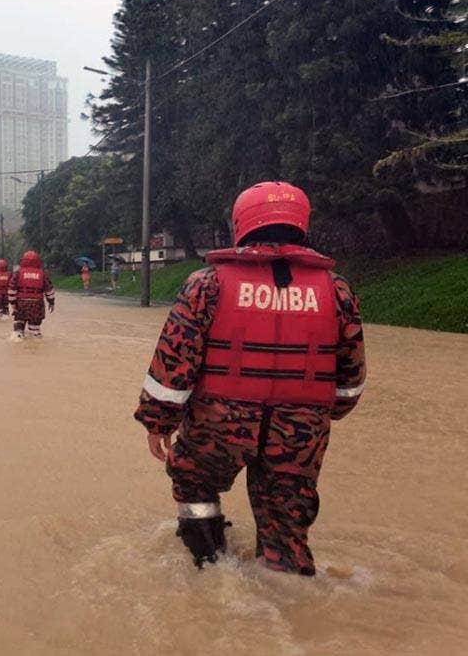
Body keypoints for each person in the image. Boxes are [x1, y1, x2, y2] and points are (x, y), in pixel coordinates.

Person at [133, 181, 366, 575]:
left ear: (242, 222)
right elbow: (350, 379)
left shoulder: (206, 285)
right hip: (301, 430)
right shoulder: (337, 291)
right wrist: (322, 416)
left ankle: (207, 567)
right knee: (287, 516)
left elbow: (173, 366)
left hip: (219, 423)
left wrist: (158, 421)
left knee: (194, 483)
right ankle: (288, 583)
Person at [8, 250, 55, 338]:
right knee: (34, 330)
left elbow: (11, 290)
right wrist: (51, 302)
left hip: (21, 303)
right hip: (37, 304)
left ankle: (17, 342)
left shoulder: (18, 273)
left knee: (18, 329)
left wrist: (13, 304)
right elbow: (49, 290)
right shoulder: (43, 274)